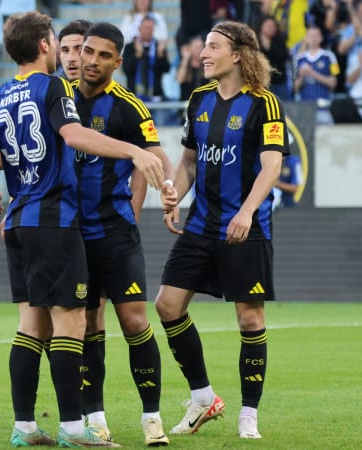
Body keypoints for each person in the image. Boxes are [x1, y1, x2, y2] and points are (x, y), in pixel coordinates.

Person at [0, 11, 164, 447]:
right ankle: (76, 430)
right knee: (72, 323)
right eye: (58, 42)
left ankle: (23, 428)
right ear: (44, 45)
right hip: (56, 221)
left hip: (18, 222)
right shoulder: (55, 86)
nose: (66, 52)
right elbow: (74, 136)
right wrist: (134, 151)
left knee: (29, 326)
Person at [157, 21, 287, 440]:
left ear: (238, 54)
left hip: (246, 226)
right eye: (204, 46)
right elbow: (190, 161)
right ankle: (203, 397)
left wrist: (247, 211)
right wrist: (175, 191)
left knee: (249, 320)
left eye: (213, 47)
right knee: (167, 305)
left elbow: (272, 166)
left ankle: (249, 414)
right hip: (200, 225)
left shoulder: (265, 103)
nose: (203, 53)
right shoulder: (198, 99)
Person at [71, 21, 175, 447]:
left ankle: (152, 418)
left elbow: (155, 154)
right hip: (71, 236)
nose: (90, 61)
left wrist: (167, 187)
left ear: (117, 60)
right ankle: (95, 419)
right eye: (86, 51)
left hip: (116, 233)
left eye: (101, 55)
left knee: (134, 321)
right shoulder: (59, 99)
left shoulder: (128, 107)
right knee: (88, 326)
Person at [293, 26, 339, 101]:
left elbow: (334, 83)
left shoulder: (330, 56)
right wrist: (302, 76)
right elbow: (295, 88)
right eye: (311, 36)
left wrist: (312, 73)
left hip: (325, 103)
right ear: (306, 38)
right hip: (305, 105)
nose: (313, 39)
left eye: (316, 36)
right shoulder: (298, 59)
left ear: (321, 38)